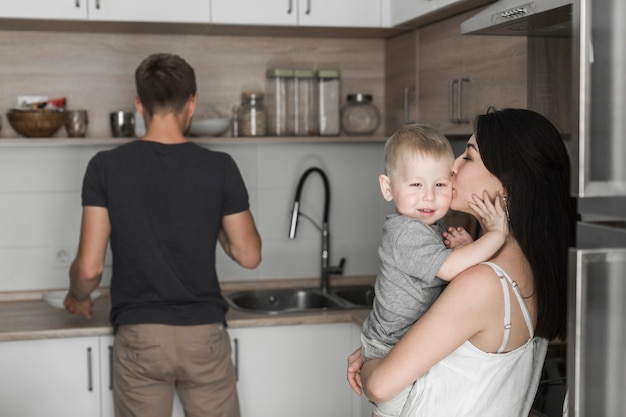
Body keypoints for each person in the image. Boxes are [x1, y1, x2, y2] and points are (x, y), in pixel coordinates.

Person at [64, 53, 262, 417]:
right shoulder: (220, 168)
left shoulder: (104, 167)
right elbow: (249, 255)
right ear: (192, 102)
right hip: (203, 335)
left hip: (140, 336)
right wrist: (209, 212)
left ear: (139, 104)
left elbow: (89, 270)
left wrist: (77, 297)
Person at [348, 108, 576, 417]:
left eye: (467, 157)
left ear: (506, 184)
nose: (452, 166)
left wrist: (374, 365)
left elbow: (379, 387)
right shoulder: (528, 269)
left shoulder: (481, 283)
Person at [362, 124, 507, 417]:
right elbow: (450, 269)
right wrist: (494, 235)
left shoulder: (427, 229)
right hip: (389, 348)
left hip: (402, 345)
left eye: (439, 185)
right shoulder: (405, 233)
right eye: (416, 185)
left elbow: (451, 268)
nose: (429, 197)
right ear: (388, 188)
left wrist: (463, 248)